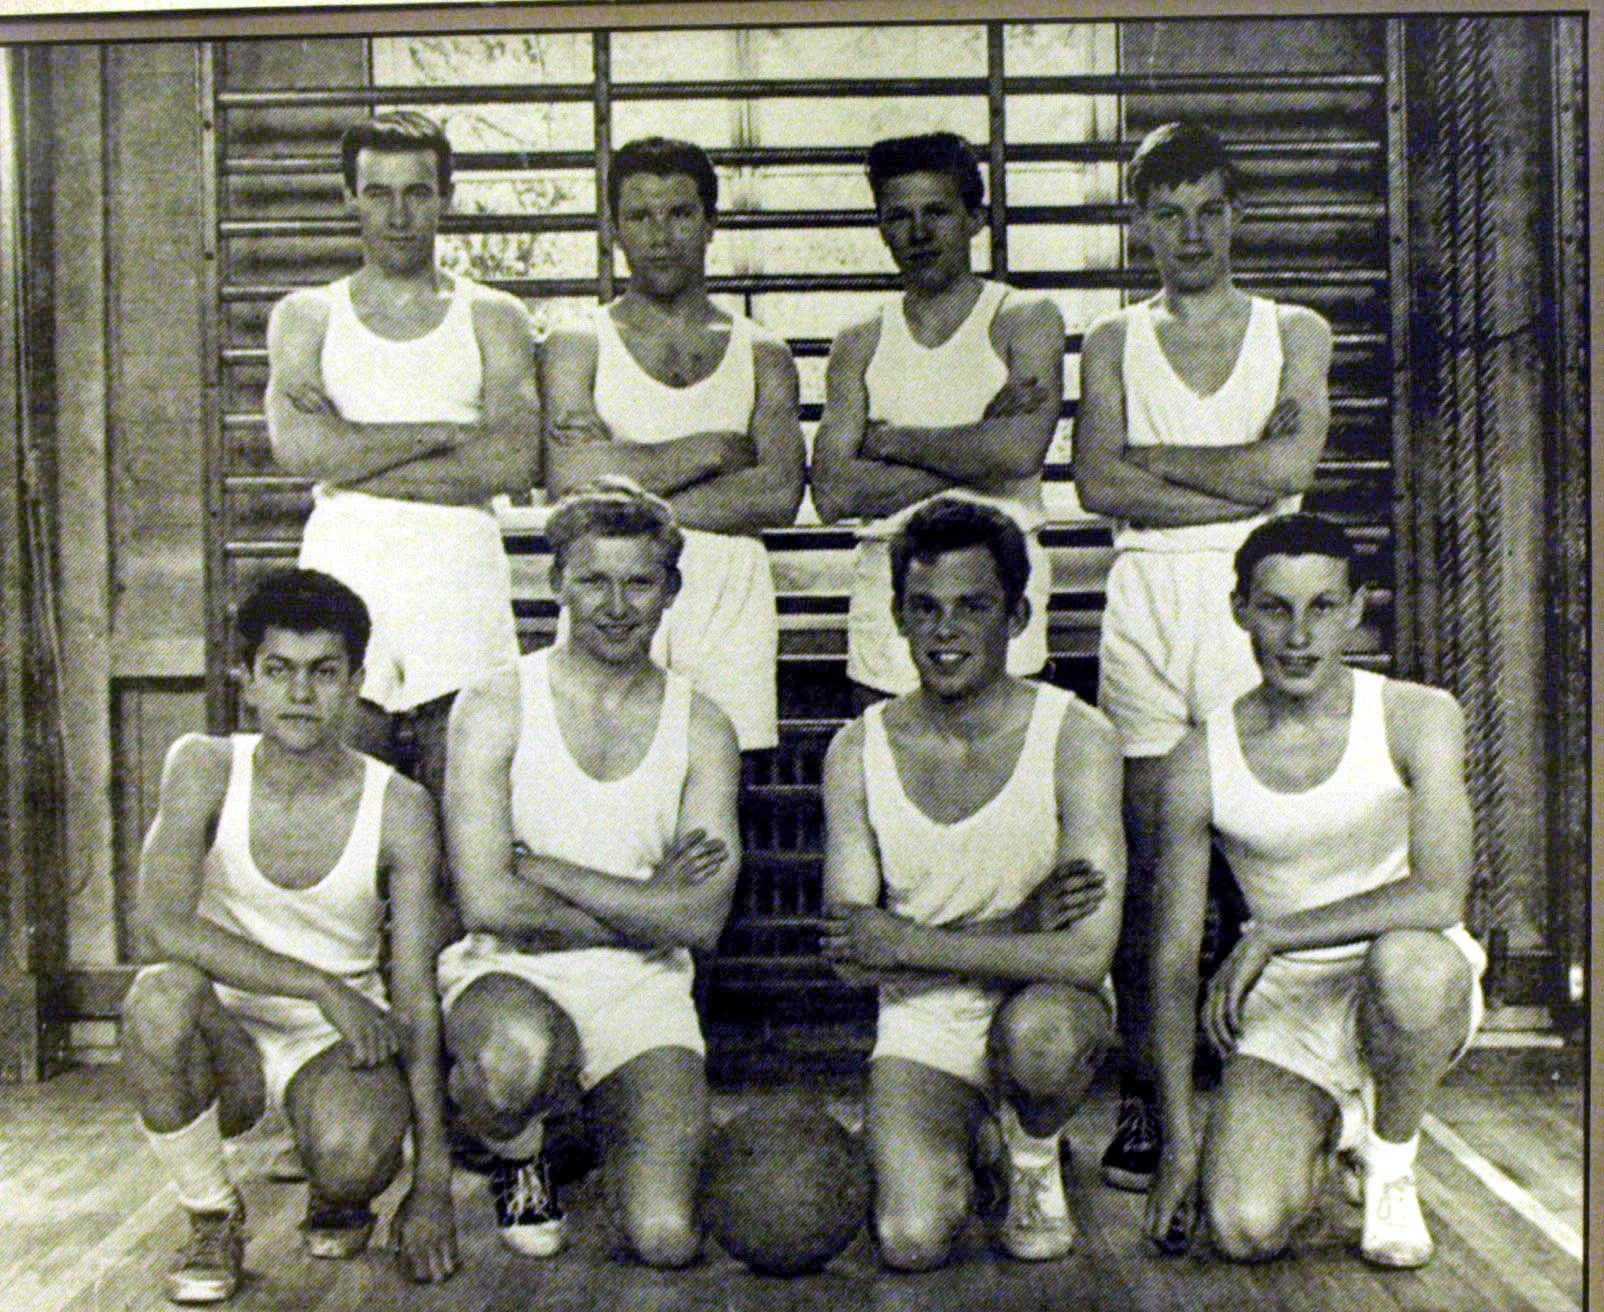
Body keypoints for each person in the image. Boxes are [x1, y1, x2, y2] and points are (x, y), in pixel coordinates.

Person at [1072, 120, 1334, 1189]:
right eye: (1167, 215)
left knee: (1267, 859)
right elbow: (1098, 485)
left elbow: (1296, 466)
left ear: (1236, 215)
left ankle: (1290, 1085)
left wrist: (1158, 459)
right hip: (1143, 596)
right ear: (1140, 225)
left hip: (1256, 592)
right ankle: (1146, 1096)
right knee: (1144, 874)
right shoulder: (1107, 341)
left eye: (1209, 212)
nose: (1190, 234)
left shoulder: (1295, 329)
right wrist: (1244, 470)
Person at [1144, 513, 1484, 1269]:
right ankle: (1337, 1124)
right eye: (1275, 608)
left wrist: (1270, 934)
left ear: (1356, 610)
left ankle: (1391, 1164)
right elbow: (1170, 962)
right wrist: (1178, 1144)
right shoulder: (1198, 762)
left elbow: (1438, 897)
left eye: (1322, 607)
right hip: (1290, 1005)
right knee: (1242, 1229)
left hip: (1408, 982)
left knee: (1411, 966)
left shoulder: (1419, 716)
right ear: (1240, 612)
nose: (1298, 635)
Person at [122, 569, 457, 1303]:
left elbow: (415, 994)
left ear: (356, 682)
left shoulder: (400, 806)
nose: (301, 694)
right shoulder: (202, 765)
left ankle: (338, 1192)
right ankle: (212, 1213)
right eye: (279, 670)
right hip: (226, 1032)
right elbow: (161, 925)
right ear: (246, 679)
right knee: (156, 998)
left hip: (337, 1040)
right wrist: (319, 983)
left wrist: (432, 1183)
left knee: (356, 1154)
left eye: (324, 672)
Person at [437, 480, 741, 1266]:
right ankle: (520, 1154)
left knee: (667, 1238)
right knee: (512, 1063)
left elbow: (700, 922)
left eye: (638, 581)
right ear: (556, 583)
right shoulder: (495, 704)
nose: (616, 604)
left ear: (669, 590)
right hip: (511, 973)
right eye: (593, 580)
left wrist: (547, 870)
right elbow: (485, 901)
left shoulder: (703, 724)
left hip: (643, 987)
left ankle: (587, 1125)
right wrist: (649, 903)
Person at [820, 497, 1124, 1269]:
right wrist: (1019, 925)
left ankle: (1033, 1150)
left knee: (1042, 1041)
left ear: (1018, 616)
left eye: (972, 606)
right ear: (896, 617)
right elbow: (853, 957)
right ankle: (975, 1133)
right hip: (924, 1017)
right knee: (910, 1240)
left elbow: (1086, 957)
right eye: (924, 608)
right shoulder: (856, 750)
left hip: (1045, 1005)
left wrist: (908, 943)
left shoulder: (1078, 737)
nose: (946, 630)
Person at [265, 110, 541, 800]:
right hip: (346, 575)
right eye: (378, 193)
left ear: (445, 197)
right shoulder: (307, 315)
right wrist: (444, 432)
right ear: (348, 196)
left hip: (459, 586)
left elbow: (511, 462)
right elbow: (301, 448)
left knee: (465, 822)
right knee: (347, 816)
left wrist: (354, 455)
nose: (398, 213)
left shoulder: (492, 316)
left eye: (417, 192)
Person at [540, 137, 805, 752]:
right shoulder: (578, 342)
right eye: (640, 216)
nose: (660, 236)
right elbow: (566, 480)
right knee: (606, 785)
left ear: (711, 224)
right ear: (614, 230)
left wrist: (619, 483)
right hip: (613, 589)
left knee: (723, 796)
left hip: (729, 598)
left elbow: (777, 494)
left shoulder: (762, 352)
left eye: (680, 214)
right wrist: (712, 451)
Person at [812, 132, 1066, 704]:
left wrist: (890, 442)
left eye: (938, 213)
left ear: (975, 218)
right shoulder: (860, 340)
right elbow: (832, 492)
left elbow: (1018, 453)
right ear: (881, 227)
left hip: (999, 578)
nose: (919, 233)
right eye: (899, 217)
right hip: (889, 589)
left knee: (1007, 776)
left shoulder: (1022, 318)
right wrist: (976, 449)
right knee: (886, 775)